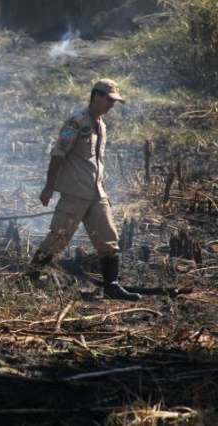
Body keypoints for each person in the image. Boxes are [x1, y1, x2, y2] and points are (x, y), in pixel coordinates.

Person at [31, 79, 141, 301]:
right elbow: (58, 154)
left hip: (96, 194)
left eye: (114, 101)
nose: (112, 106)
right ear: (96, 96)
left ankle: (112, 286)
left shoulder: (101, 125)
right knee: (58, 239)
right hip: (74, 194)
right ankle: (31, 277)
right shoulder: (76, 123)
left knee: (109, 240)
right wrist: (49, 187)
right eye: (109, 100)